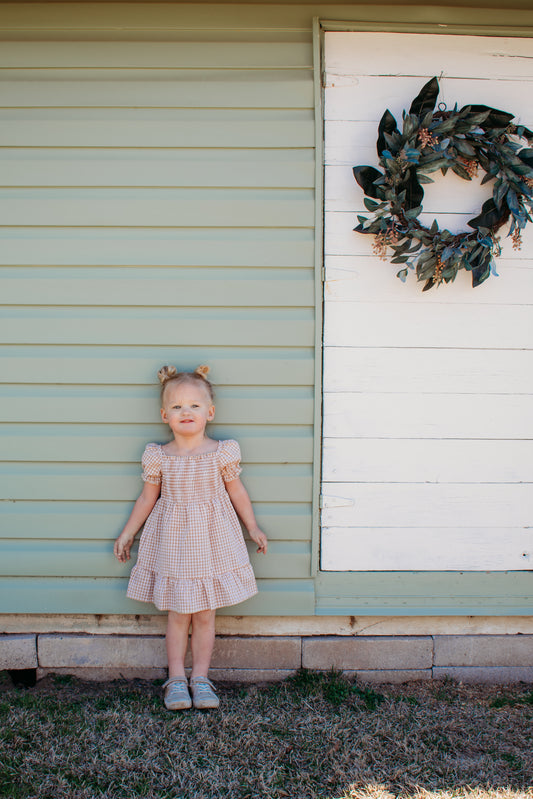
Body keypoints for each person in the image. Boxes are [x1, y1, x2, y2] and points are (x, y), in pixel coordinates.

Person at [114, 365, 267, 711]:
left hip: (212, 542)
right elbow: (146, 498)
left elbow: (237, 491)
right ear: (165, 414)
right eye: (178, 406)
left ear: (210, 412)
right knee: (178, 614)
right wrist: (127, 534)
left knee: (206, 614)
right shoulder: (159, 456)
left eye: (195, 406)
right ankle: (176, 679)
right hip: (173, 544)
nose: (187, 412)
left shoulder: (221, 452)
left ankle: (201, 677)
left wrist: (253, 527)